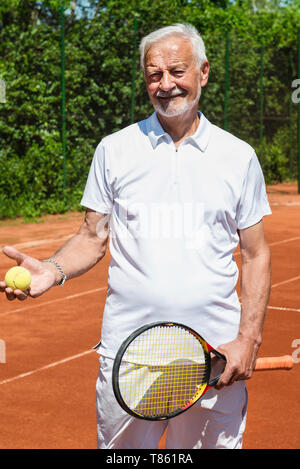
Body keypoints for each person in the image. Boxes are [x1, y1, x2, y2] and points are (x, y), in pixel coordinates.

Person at [0, 23, 272, 449]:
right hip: (130, 356)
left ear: (203, 72)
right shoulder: (115, 149)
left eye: (177, 71)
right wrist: (52, 269)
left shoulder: (238, 156)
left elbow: (256, 255)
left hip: (213, 356)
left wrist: (248, 340)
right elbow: (91, 236)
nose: (166, 85)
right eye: (154, 75)